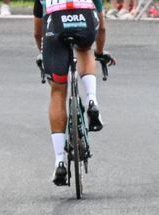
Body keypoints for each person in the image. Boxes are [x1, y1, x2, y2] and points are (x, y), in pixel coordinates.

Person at [34, 0, 113, 186]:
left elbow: (38, 33)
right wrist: (100, 53)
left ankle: (60, 160)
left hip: (55, 24)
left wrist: (44, 55)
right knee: (85, 49)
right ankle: (92, 100)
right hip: (84, 19)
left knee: (58, 92)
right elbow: (101, 28)